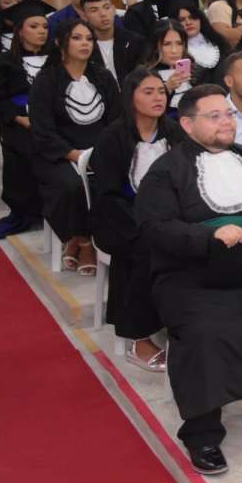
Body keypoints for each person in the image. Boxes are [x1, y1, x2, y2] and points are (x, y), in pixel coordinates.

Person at [136, 85, 242, 475]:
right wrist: (208, 235)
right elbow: (155, 227)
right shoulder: (165, 171)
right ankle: (203, 434)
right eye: (214, 116)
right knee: (205, 332)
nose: (227, 122)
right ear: (187, 124)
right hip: (191, 275)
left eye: (228, 114)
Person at [89, 69, 178, 371]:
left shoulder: (174, 132)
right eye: (148, 92)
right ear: (131, 98)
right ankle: (138, 337)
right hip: (121, 219)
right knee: (144, 250)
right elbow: (108, 195)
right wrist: (145, 224)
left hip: (168, 215)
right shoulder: (112, 138)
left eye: (161, 91)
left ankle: (181, 320)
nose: (158, 98)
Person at [30, 19, 120, 275]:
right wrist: (74, 155)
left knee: (115, 182)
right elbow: (43, 130)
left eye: (89, 39)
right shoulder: (46, 80)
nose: (85, 44)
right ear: (61, 43)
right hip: (59, 154)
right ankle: (84, 241)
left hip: (99, 152)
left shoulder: (102, 76)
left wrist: (102, 153)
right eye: (77, 38)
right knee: (72, 187)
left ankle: (96, 240)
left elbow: (116, 120)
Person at [0, 0, 51, 238]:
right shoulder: (4, 62)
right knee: (23, 147)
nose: (41, 31)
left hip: (53, 119)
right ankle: (25, 212)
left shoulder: (57, 59)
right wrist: (22, 119)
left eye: (45, 26)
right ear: (19, 31)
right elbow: (0, 100)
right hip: (20, 122)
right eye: (34, 26)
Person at [159, 0, 229, 78]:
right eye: (181, 20)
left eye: (192, 17)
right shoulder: (173, 54)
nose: (188, 22)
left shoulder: (219, 42)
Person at [82, 0, 144, 84]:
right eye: (94, 10)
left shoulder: (134, 41)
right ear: (84, 16)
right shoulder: (83, 46)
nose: (103, 14)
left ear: (114, 10)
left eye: (107, 7)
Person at [139, 20, 198, 112]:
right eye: (167, 44)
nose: (174, 50)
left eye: (179, 43)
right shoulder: (144, 76)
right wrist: (167, 88)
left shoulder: (196, 71)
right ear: (155, 46)